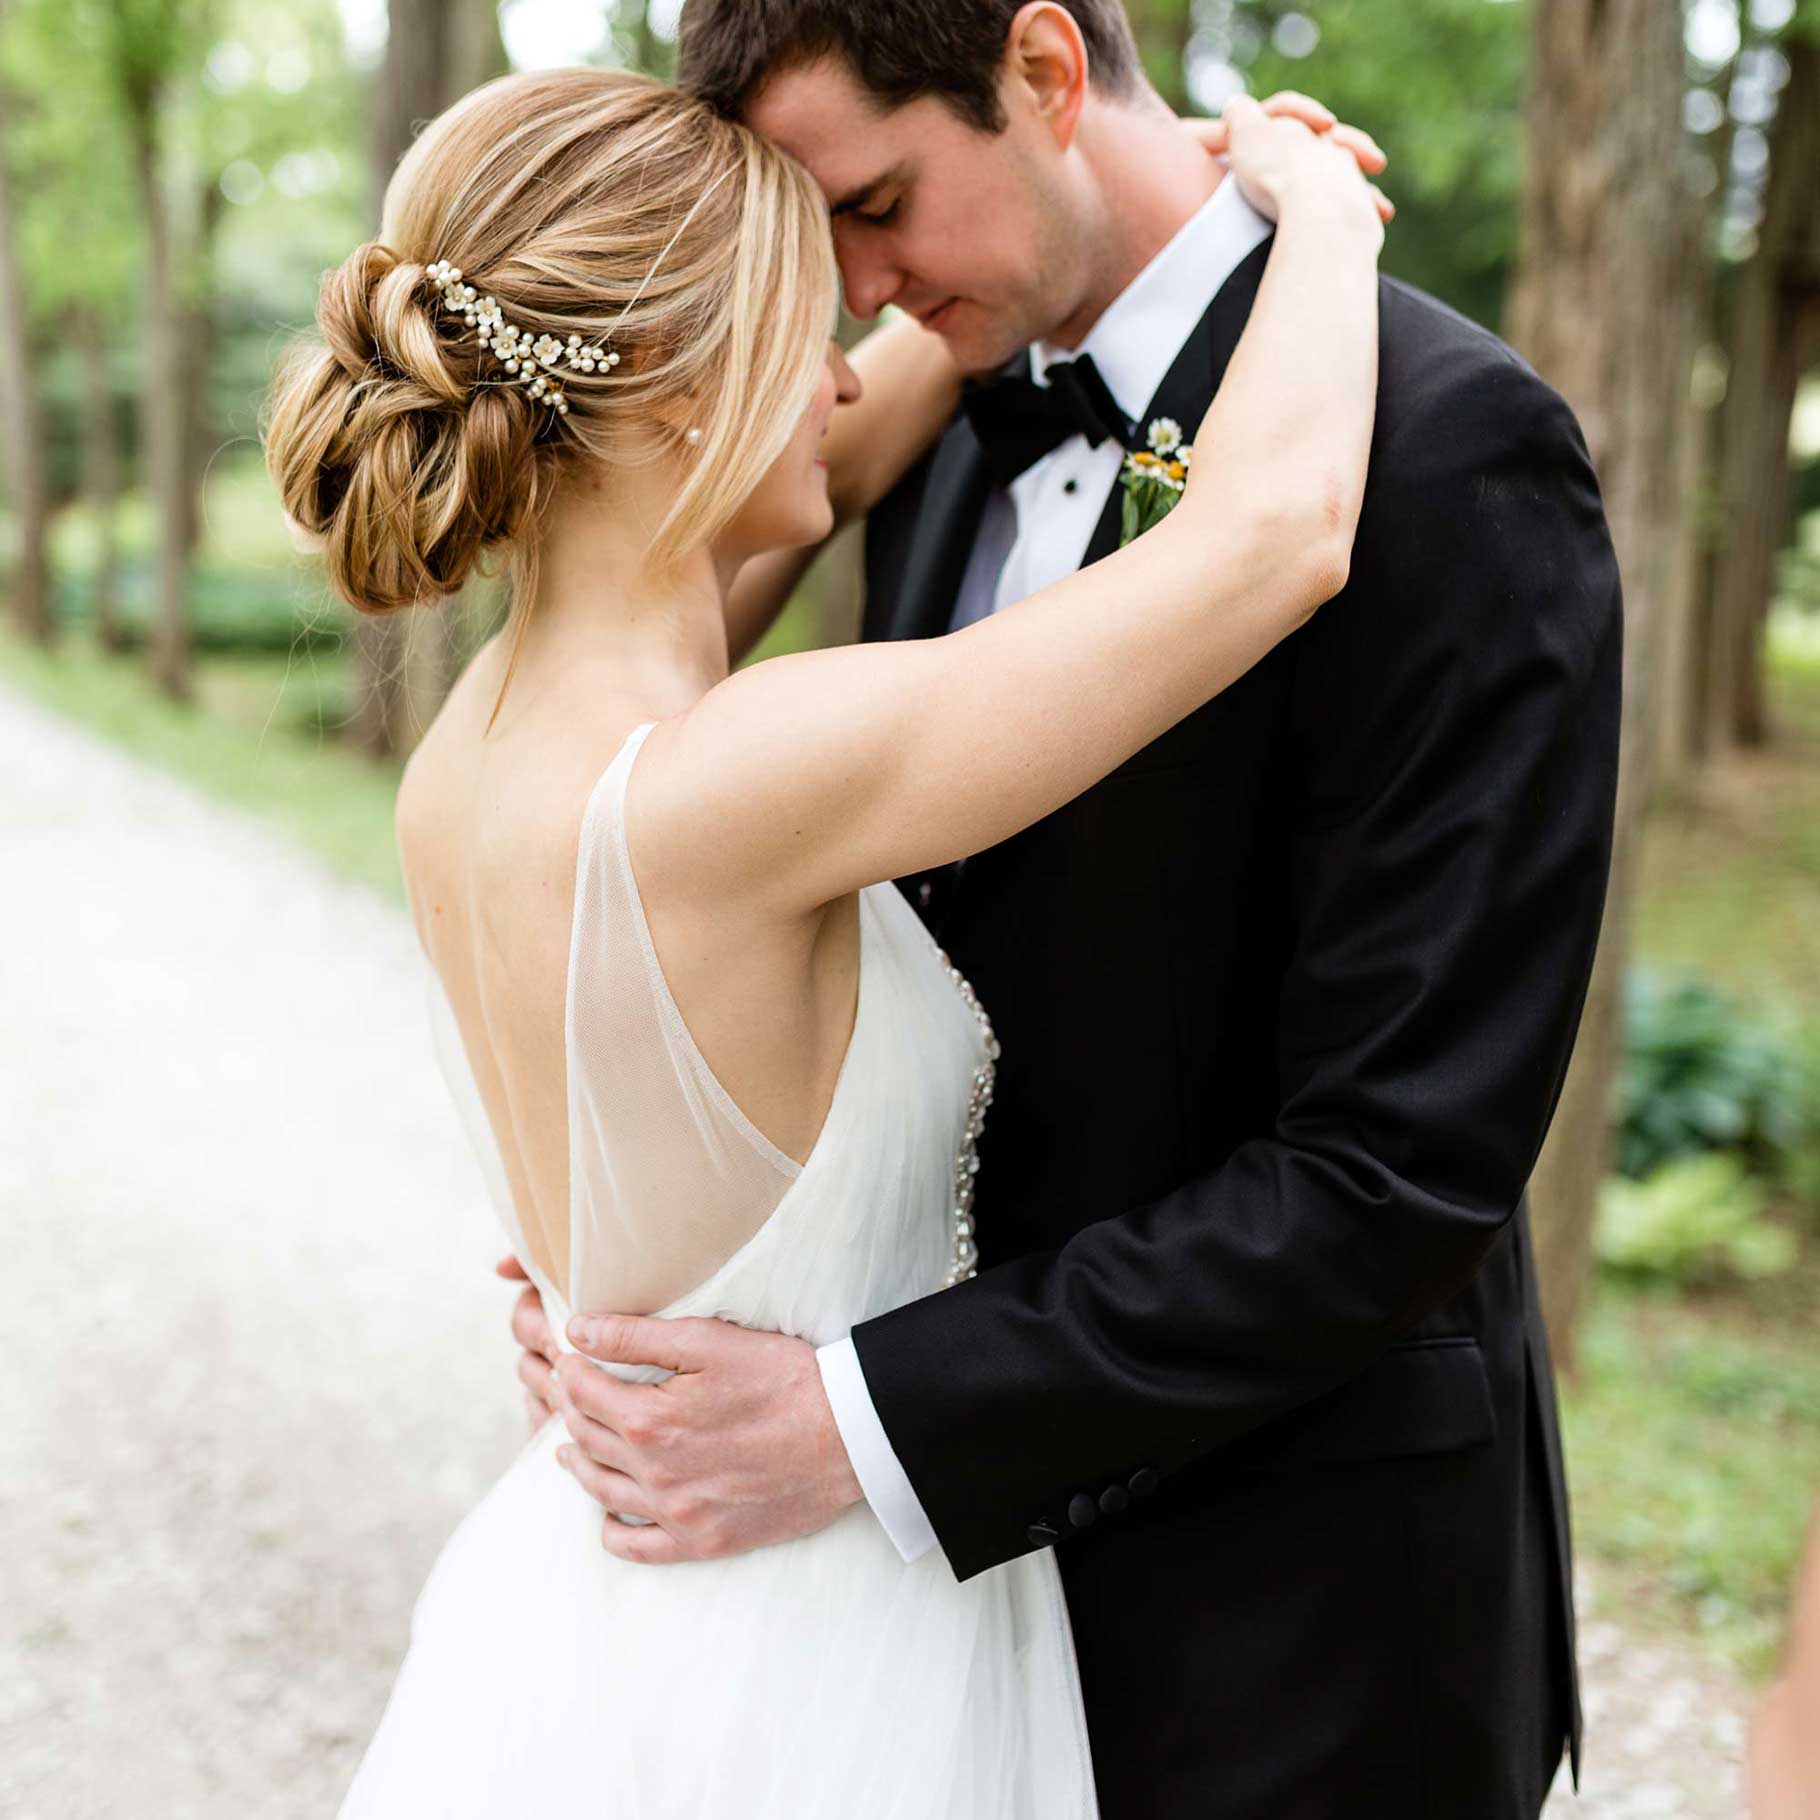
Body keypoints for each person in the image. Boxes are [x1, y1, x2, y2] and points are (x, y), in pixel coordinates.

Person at [512, 5, 1626, 1817]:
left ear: (1040, 70)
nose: (855, 302)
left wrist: (855, 1422)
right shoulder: (945, 418)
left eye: (876, 203)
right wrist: (650, 1271)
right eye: (818, 245)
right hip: (926, 1640)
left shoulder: (1448, 444)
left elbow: (1396, 1169)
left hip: (1296, 1630)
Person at [264, 60, 1387, 1819]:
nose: (849, 366)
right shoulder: (746, 783)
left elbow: (791, 464)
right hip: (821, 1653)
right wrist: (1312, 198)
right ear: (663, 385)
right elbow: (1273, 536)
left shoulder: (470, 759)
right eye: (803, 322)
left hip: (597, 1617)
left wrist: (1019, 252)